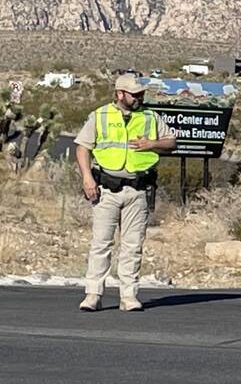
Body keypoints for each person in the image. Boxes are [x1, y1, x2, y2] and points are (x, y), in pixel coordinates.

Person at [75, 74, 176, 311]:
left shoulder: (150, 118)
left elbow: (171, 142)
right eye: (135, 94)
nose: (140, 98)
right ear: (120, 94)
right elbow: (83, 148)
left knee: (132, 245)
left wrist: (152, 144)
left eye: (142, 94)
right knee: (101, 243)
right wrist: (87, 178)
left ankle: (128, 296)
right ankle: (93, 294)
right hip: (106, 189)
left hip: (138, 189)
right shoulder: (100, 116)